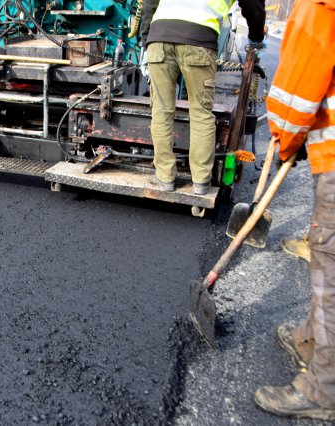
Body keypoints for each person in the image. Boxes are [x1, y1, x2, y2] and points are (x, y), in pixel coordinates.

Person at [253, 0, 335, 420]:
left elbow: (298, 90)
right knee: (326, 258)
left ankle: (323, 388)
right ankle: (310, 339)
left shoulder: (320, 6)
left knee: (331, 271)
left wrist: (285, 140)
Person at [139, 0, 266, 194]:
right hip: (198, 39)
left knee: (161, 111)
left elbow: (149, 2)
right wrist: (256, 36)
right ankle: (200, 182)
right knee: (200, 112)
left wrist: (146, 37)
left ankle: (165, 179)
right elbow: (253, 5)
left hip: (159, 37)